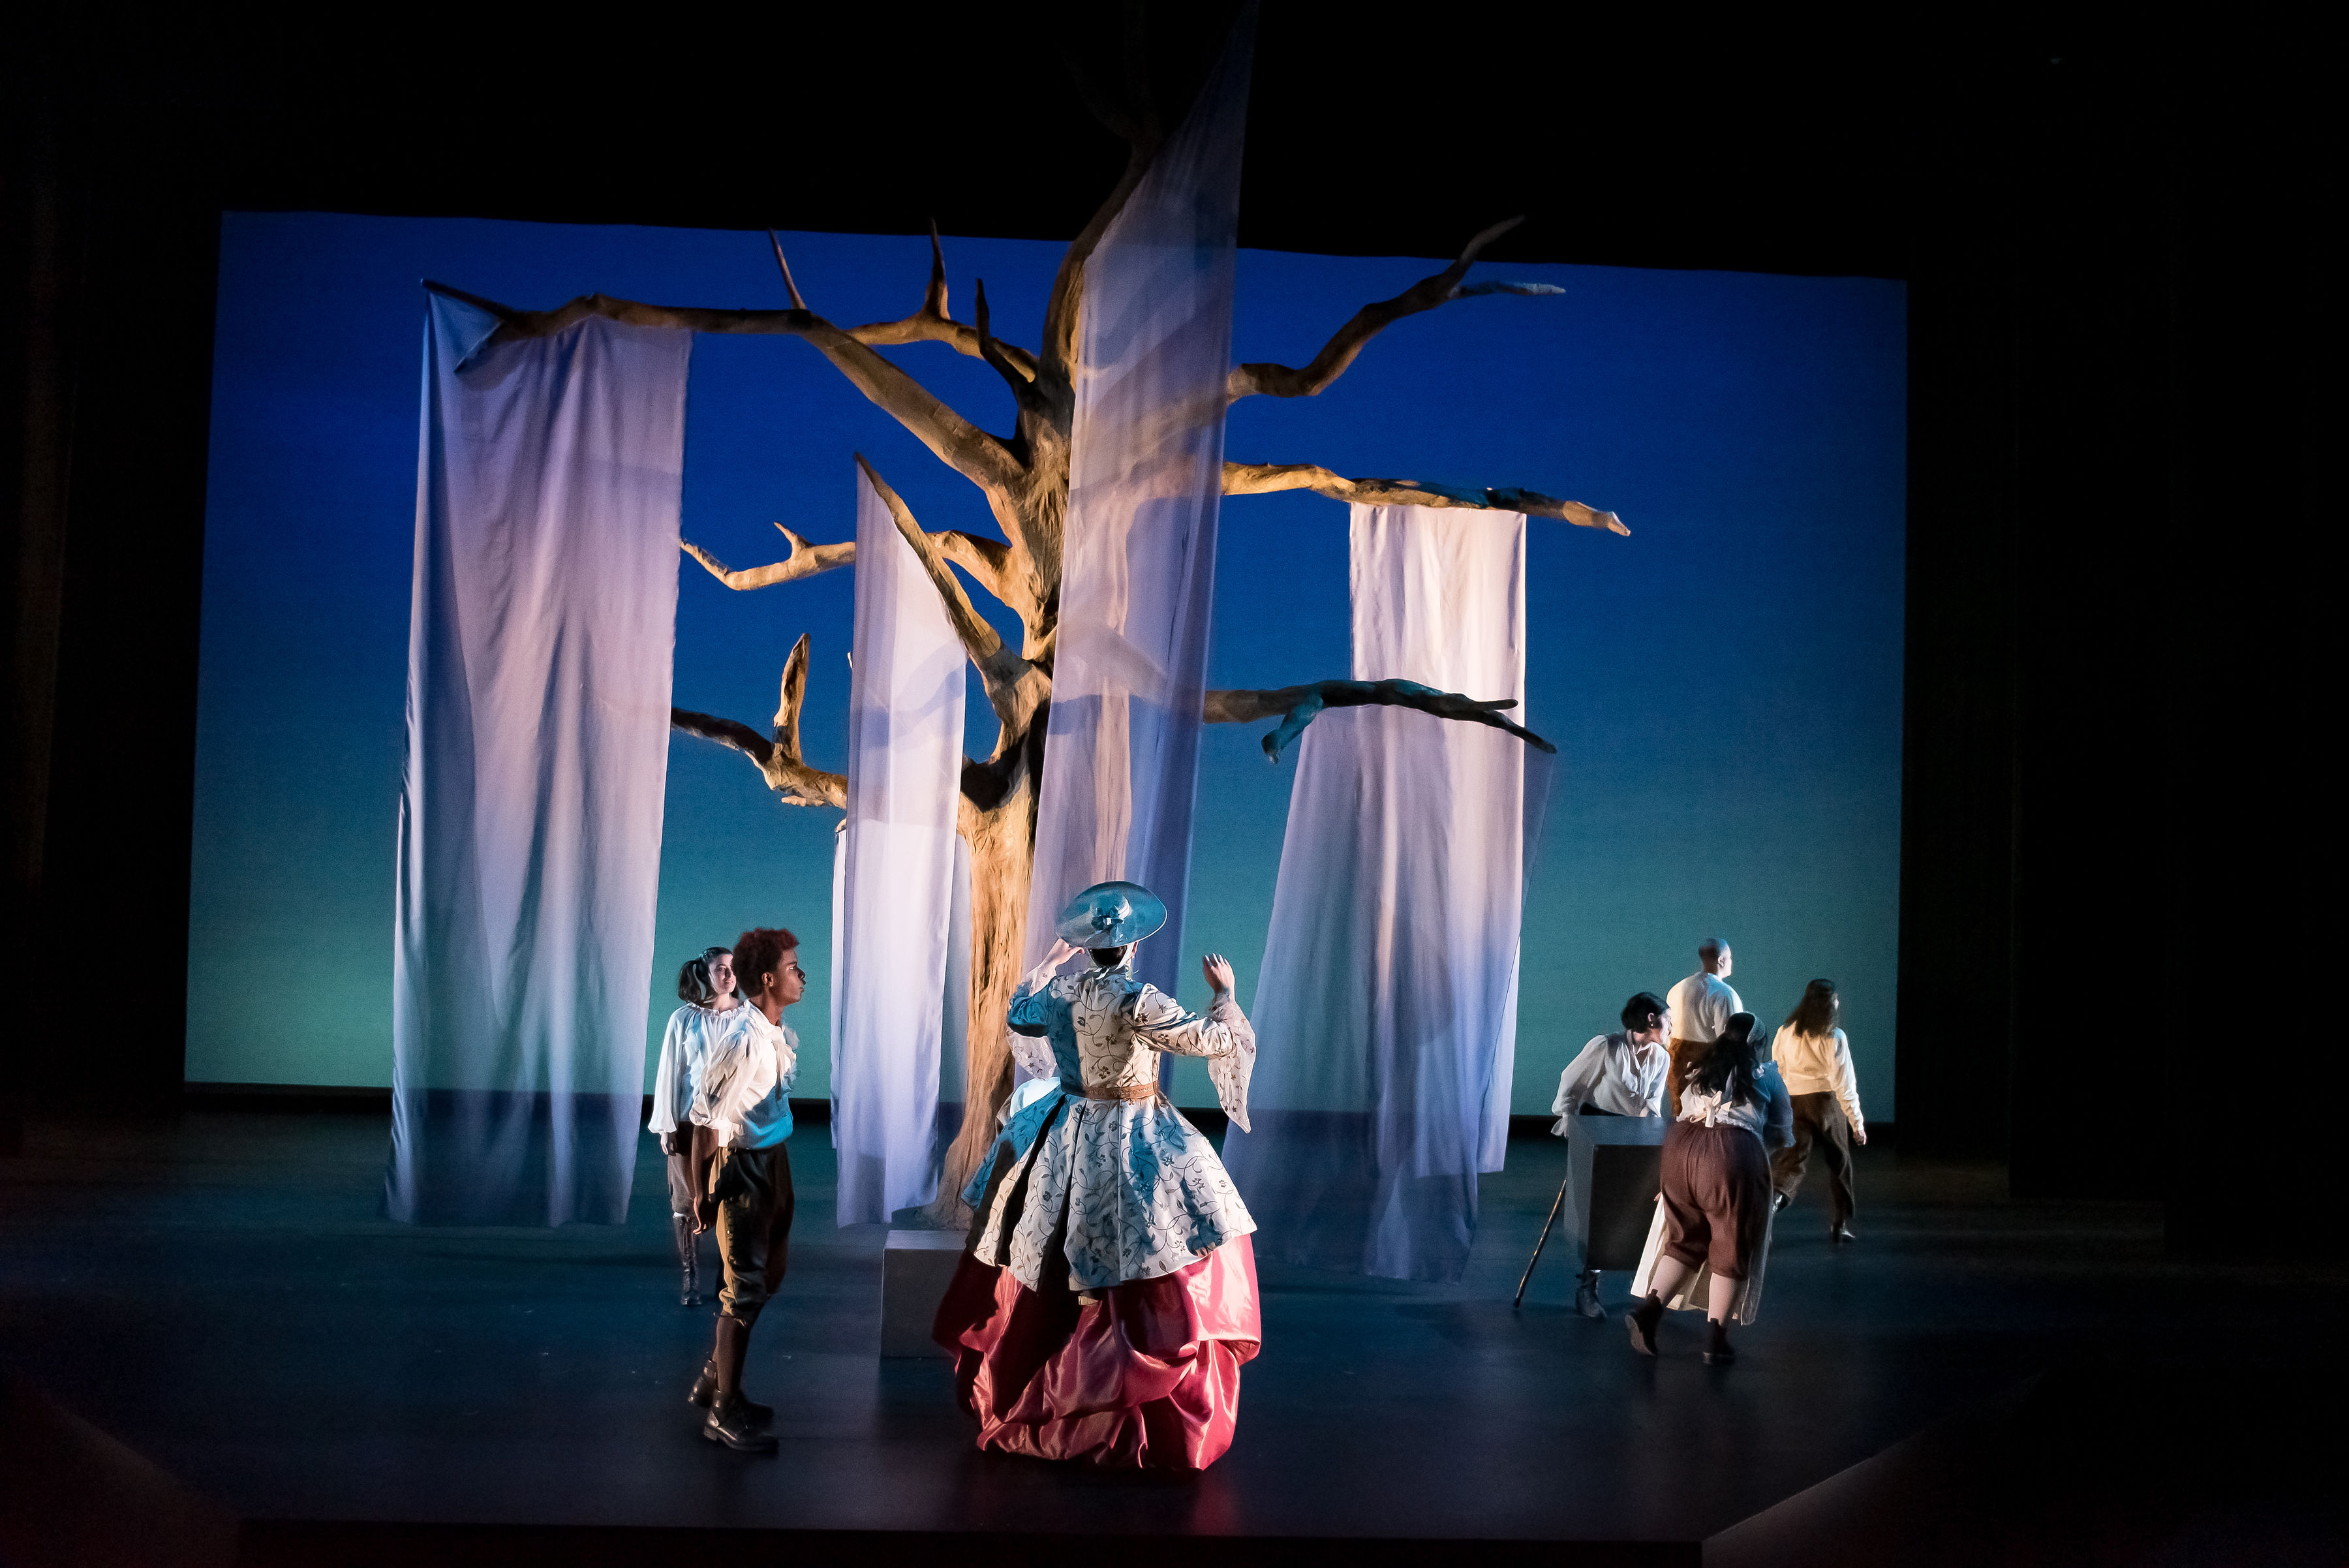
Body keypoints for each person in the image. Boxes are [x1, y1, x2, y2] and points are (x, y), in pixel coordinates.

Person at [932, 880, 1260, 1470]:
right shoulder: (1138, 1000)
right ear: (1131, 946)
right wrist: (1226, 995)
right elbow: (1213, 1041)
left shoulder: (1060, 993)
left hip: (1065, 1126)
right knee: (1155, 1240)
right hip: (1131, 1127)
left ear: (1087, 947)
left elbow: (1019, 1013)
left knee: (1052, 1245)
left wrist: (1047, 963)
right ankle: (1120, 1392)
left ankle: (1054, 1380)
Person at [683, 927, 803, 1454]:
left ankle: (716, 1378)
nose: (801, 975)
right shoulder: (742, 1040)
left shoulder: (774, 1031)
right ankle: (722, 1410)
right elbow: (703, 1121)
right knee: (743, 1291)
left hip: (774, 1160)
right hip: (743, 1169)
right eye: (793, 967)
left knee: (769, 1275)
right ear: (769, 979)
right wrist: (700, 1192)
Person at [1626, 1011, 1792, 1366]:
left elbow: (1686, 1113)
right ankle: (1716, 1341)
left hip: (1680, 1150)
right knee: (1732, 1245)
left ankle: (1649, 1312)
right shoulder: (1766, 1076)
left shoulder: (1701, 1070)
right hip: (1731, 1155)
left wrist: (1671, 1181)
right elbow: (1780, 1132)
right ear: (1758, 1044)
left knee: (1685, 1240)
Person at [1548, 991, 1672, 1317]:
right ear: (1651, 1019)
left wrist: (1652, 1137)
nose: (1672, 1027)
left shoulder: (1661, 1058)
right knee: (1598, 1213)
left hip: (1633, 1137)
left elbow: (1651, 1105)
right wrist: (1569, 1122)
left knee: (1641, 1206)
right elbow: (1570, 1083)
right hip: (1597, 1133)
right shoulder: (1607, 1046)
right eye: (1668, 1019)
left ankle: (1646, 1286)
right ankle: (1587, 1288)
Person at [647, 946, 738, 1308]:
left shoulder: (747, 1018)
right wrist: (667, 1124)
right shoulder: (684, 1019)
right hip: (689, 1122)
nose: (729, 975)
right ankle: (690, 1275)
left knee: (729, 1200)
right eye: (721, 969)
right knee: (687, 1202)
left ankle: (726, 1276)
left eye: (732, 968)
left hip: (731, 1124)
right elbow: (670, 1071)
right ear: (705, 973)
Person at [1770, 979, 1867, 1242]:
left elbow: (1778, 1070)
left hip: (1794, 1103)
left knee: (1792, 1162)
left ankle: (1770, 1209)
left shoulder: (1786, 1032)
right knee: (1840, 1162)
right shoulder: (1834, 1036)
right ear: (1830, 1003)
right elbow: (1845, 1085)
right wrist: (1857, 1123)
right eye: (1835, 999)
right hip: (1825, 1104)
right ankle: (1840, 1224)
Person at [1664, 937, 1744, 1113]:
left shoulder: (1677, 989)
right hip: (1707, 1068)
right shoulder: (1724, 994)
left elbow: (1667, 1033)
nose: (1731, 961)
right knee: (1706, 1118)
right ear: (1721, 960)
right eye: (1730, 957)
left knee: (1680, 1117)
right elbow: (1729, 1040)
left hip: (1676, 1065)